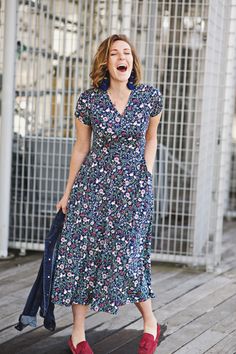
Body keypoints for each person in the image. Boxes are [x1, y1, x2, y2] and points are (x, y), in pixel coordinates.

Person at [51, 34, 166, 354]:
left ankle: (150, 321)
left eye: (126, 52)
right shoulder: (89, 101)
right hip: (92, 188)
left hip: (133, 189)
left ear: (132, 61)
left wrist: (147, 173)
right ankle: (77, 335)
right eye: (114, 53)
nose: (121, 57)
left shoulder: (149, 98)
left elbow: (152, 138)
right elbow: (81, 147)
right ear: (106, 62)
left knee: (127, 256)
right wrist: (68, 192)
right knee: (83, 255)